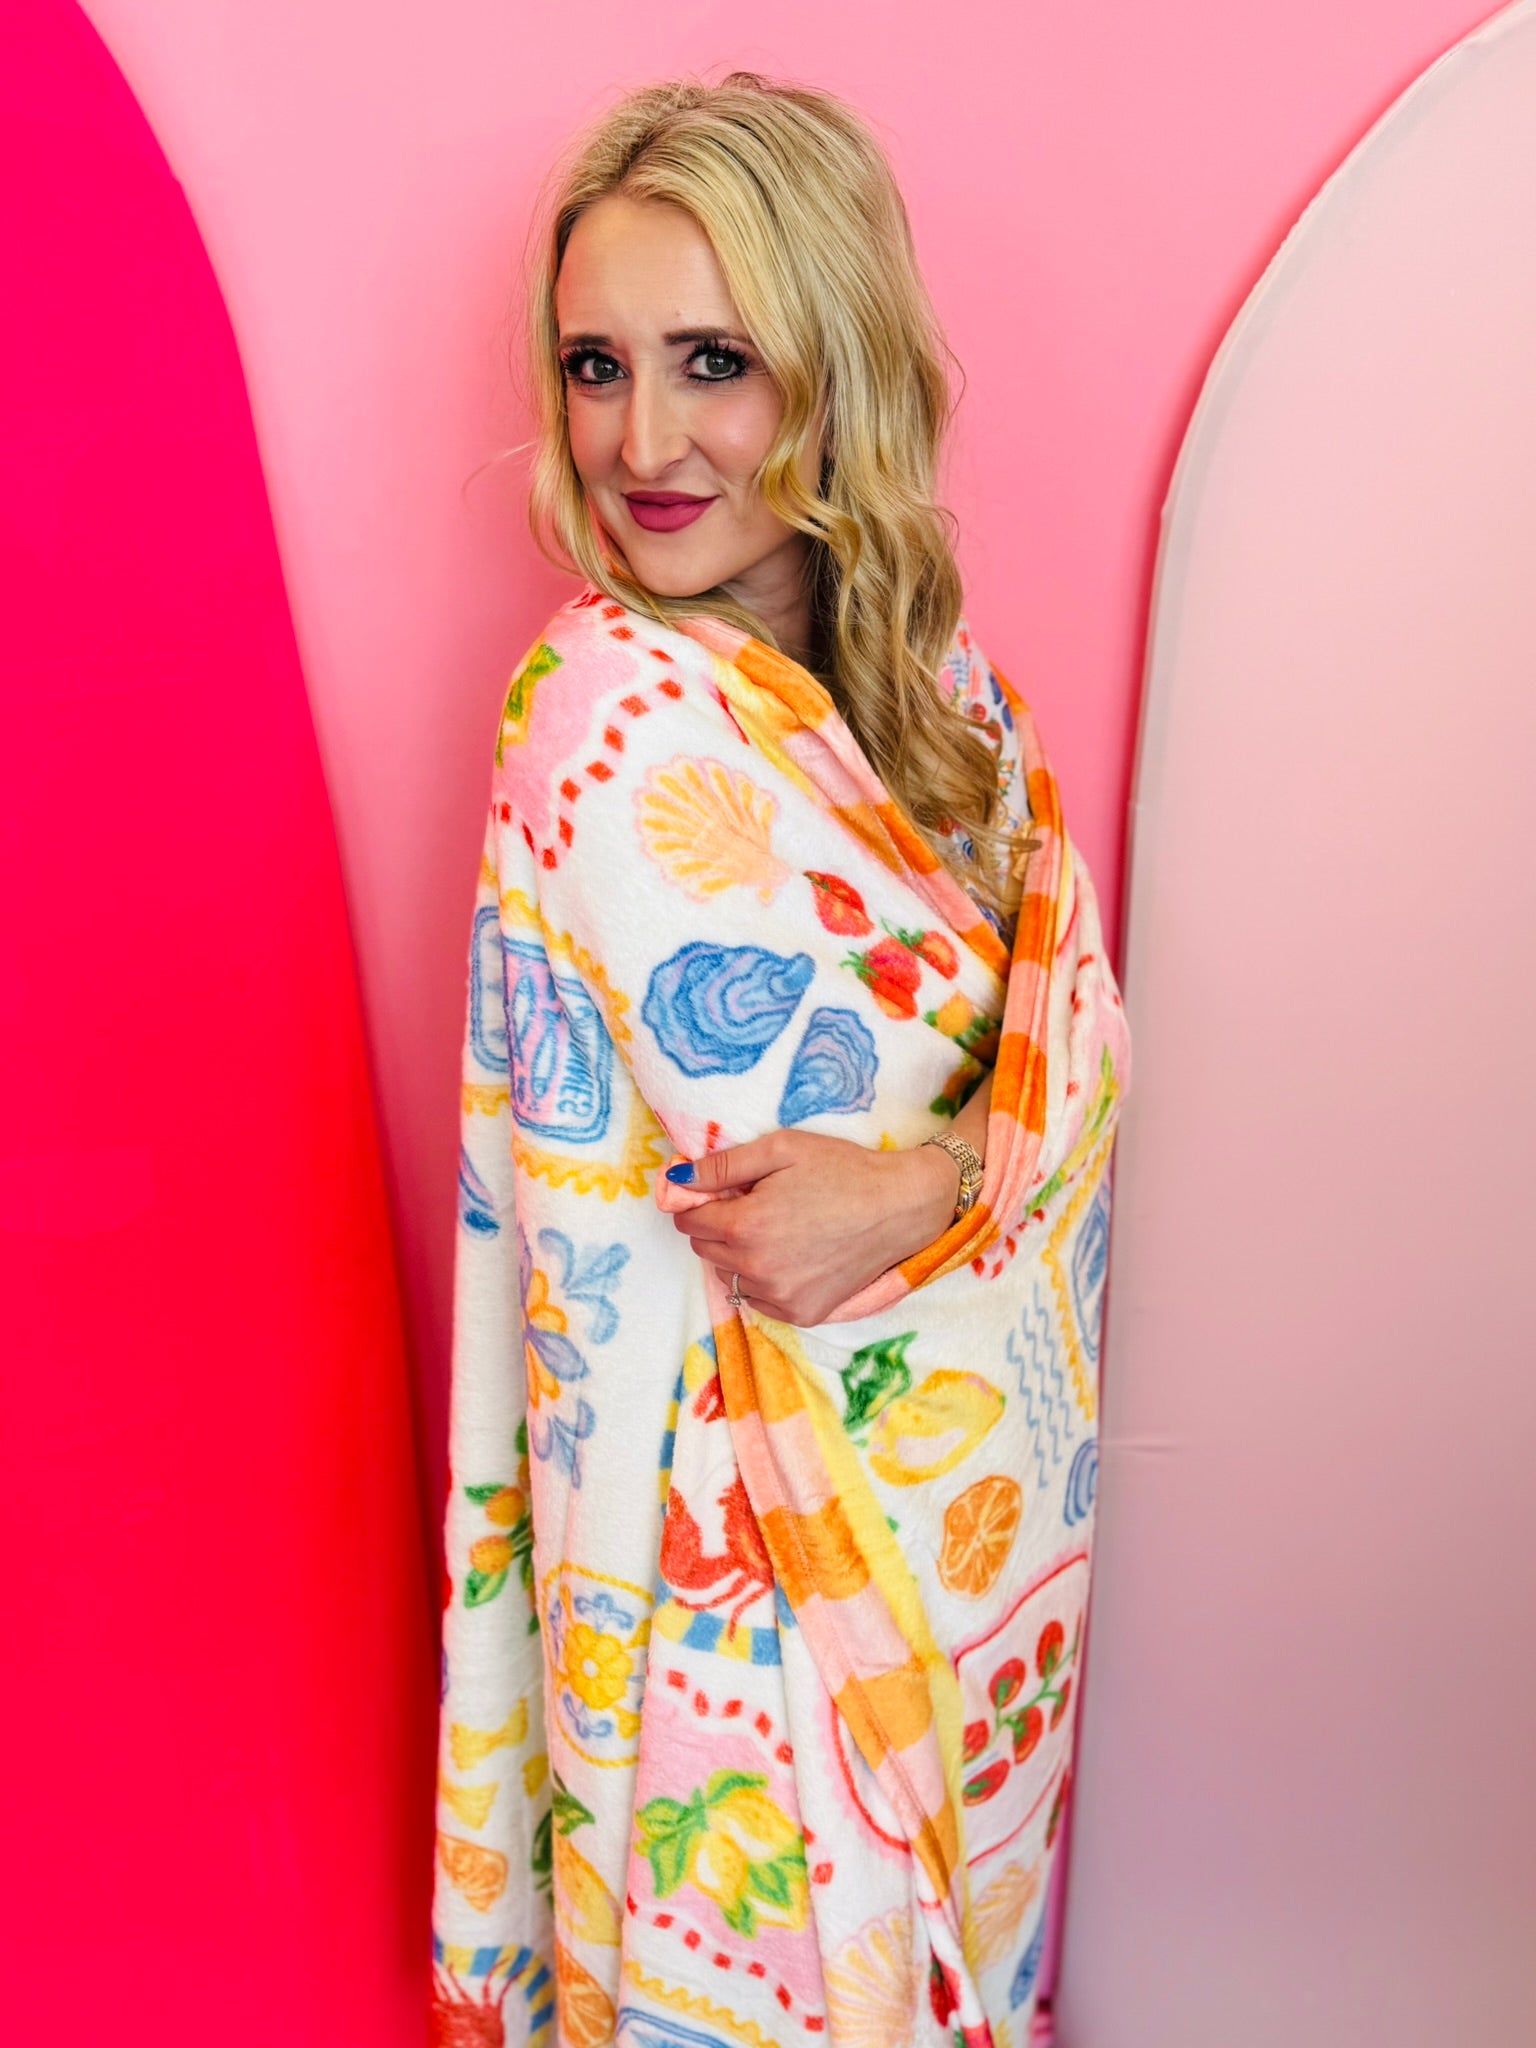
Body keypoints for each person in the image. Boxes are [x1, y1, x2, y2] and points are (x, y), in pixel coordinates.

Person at [432, 74, 1129, 2048]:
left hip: (965, 1540)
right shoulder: (603, 713)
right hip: (731, 1561)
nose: (641, 443)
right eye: (597, 366)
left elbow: (1073, 1038)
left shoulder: (950, 702)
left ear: (835, 365)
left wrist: (928, 1182)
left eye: (713, 362)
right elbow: (780, 1201)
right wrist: (959, 1160)